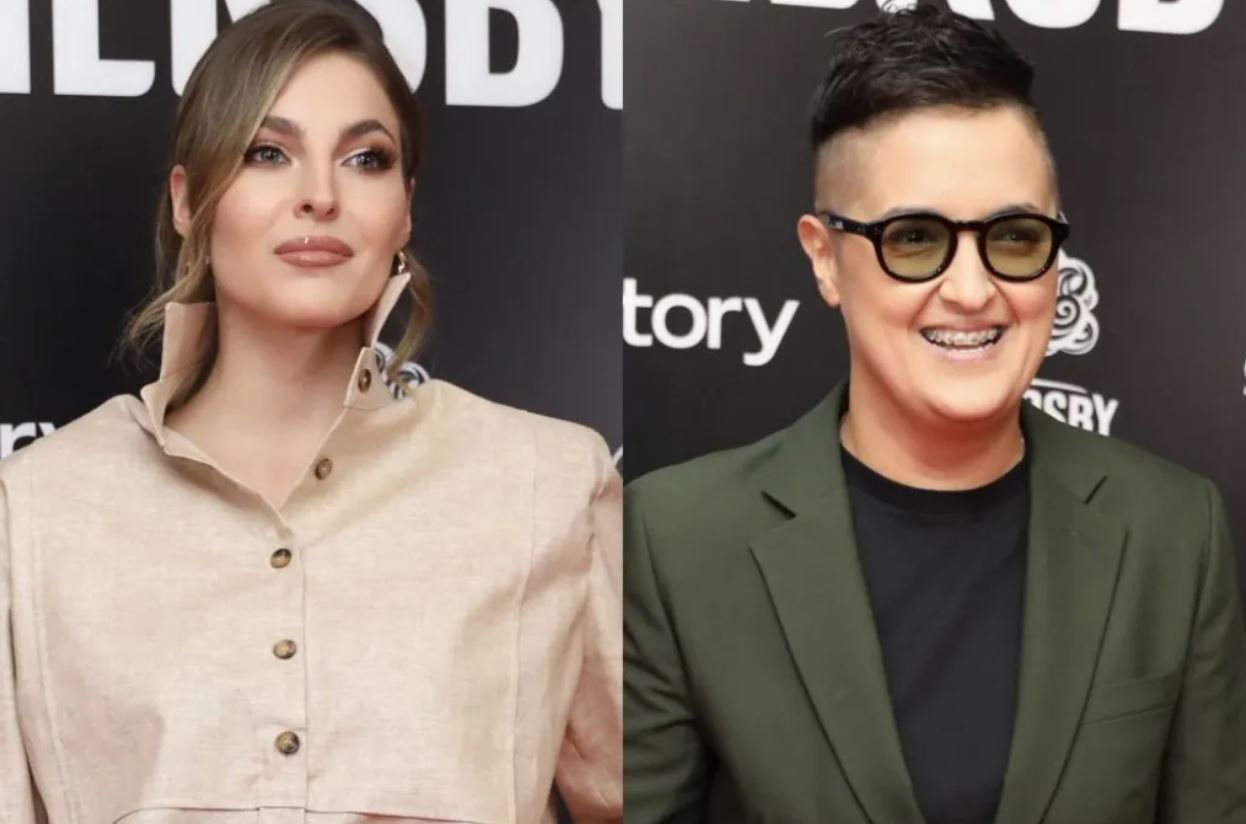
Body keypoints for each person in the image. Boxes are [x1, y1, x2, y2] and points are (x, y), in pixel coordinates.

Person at [0, 2, 621, 822]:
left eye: (365, 159)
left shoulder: (548, 482)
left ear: (404, 207)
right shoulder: (36, 510)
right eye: (268, 153)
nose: (320, 196)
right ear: (187, 200)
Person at [623, 5, 1246, 822]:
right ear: (824, 258)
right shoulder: (676, 540)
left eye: (1014, 236)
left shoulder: (1175, 531)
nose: (972, 290)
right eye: (914, 239)